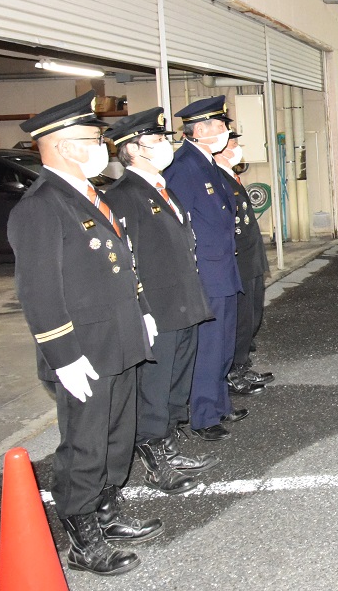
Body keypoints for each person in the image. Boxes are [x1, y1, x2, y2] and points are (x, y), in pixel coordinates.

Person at [8, 92, 160, 576]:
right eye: (93, 139)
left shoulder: (87, 195)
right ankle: (81, 534)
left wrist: (141, 311)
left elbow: (120, 264)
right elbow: (39, 292)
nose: (101, 147)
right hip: (84, 350)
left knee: (117, 435)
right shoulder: (41, 206)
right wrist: (63, 355)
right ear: (60, 145)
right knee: (86, 442)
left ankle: (107, 510)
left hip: (118, 338)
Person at [104, 109, 217, 497]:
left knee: (174, 384)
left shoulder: (159, 187)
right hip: (158, 309)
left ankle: (168, 444)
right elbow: (125, 262)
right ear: (133, 150)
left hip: (184, 303)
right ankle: (155, 458)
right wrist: (141, 312)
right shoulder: (123, 196)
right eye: (156, 141)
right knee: (154, 387)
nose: (166, 146)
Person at [164, 96, 244, 441]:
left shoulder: (206, 162)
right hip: (205, 274)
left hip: (222, 269)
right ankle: (203, 415)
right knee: (209, 347)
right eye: (221, 126)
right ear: (201, 130)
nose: (226, 132)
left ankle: (219, 403)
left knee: (223, 343)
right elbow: (178, 224)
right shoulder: (183, 167)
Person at [214, 132, 273, 394]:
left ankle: (242, 365)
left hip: (251, 259)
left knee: (251, 317)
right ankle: (234, 371)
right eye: (234, 145)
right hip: (239, 262)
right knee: (240, 321)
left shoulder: (230, 176)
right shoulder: (217, 178)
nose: (238, 149)